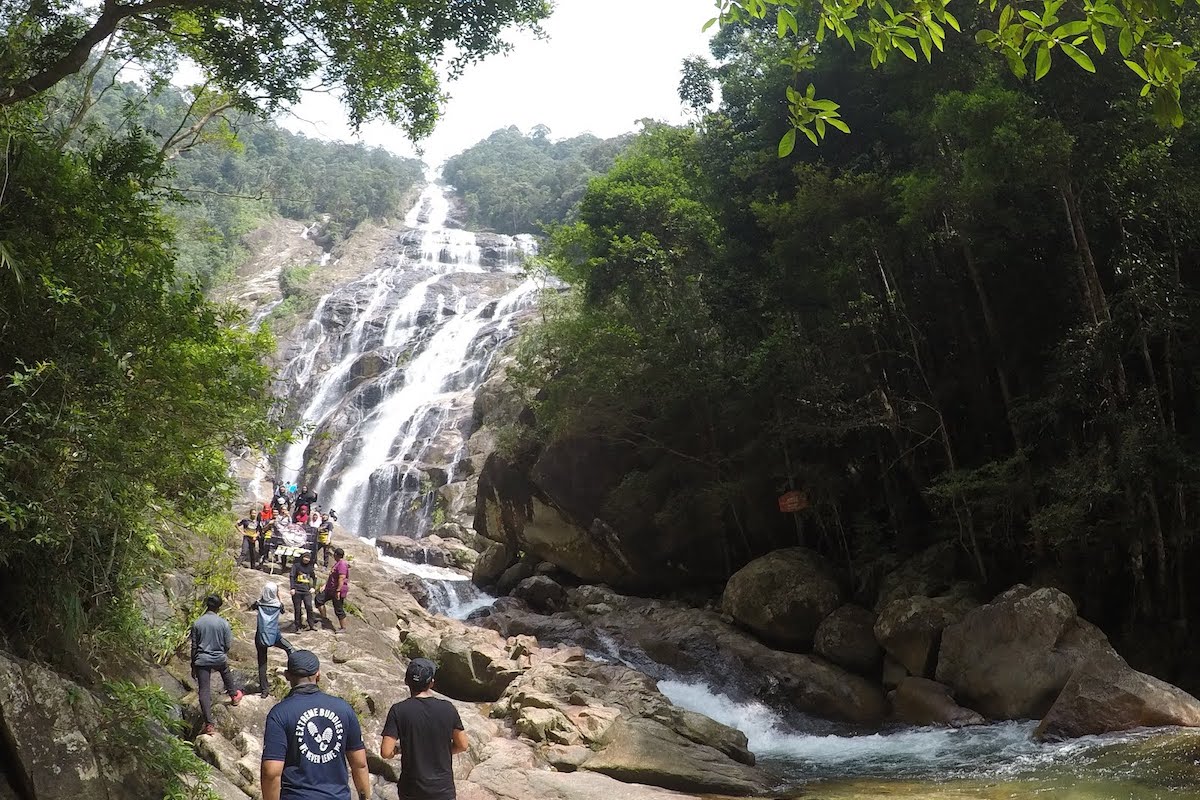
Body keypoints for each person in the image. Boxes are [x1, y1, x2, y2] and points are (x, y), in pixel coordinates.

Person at [261, 650, 372, 800]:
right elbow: (360, 764)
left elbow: (271, 772)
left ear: (287, 675)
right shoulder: (343, 709)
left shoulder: (280, 713)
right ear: (318, 675)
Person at [380, 658, 468, 800]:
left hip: (412, 790)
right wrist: (442, 750)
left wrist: (399, 750)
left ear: (406, 681)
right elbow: (463, 745)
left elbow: (386, 752)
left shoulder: (398, 710)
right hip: (442, 790)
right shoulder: (448, 708)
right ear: (431, 682)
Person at [191, 594, 244, 735]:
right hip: (218, 658)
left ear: (206, 605)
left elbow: (194, 647)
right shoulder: (223, 623)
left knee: (204, 691)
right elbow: (227, 645)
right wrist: (221, 653)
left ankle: (209, 724)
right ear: (219, 607)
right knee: (225, 671)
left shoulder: (197, 623)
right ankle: (234, 696)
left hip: (202, 659)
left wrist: (193, 665)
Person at [251, 583, 294, 697]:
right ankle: (294, 671)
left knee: (262, 663)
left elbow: (253, 606)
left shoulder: (259, 604)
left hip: (261, 635)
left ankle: (264, 691)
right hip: (274, 635)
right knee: (289, 648)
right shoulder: (278, 605)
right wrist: (279, 597)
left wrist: (262, 597)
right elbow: (283, 610)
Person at [316, 547, 349, 633]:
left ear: (336, 555)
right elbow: (332, 577)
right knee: (319, 599)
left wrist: (338, 591)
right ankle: (324, 618)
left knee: (338, 608)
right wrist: (325, 585)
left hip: (337, 590)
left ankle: (343, 628)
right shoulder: (337, 563)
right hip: (330, 588)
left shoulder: (342, 564)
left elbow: (341, 578)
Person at [290, 551, 320, 632]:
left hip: (306, 590)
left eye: (308, 558)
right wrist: (292, 588)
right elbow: (292, 576)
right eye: (305, 557)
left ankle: (311, 625)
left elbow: (314, 578)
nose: (306, 559)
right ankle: (298, 627)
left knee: (309, 607)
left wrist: (313, 587)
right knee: (297, 609)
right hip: (297, 590)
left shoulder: (310, 567)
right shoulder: (296, 566)